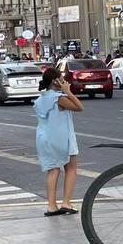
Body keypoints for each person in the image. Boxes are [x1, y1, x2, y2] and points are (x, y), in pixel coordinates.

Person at [34, 67, 83, 217]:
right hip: (61, 137)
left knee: (52, 170)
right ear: (55, 81)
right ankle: (66, 202)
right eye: (61, 78)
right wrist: (68, 91)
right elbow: (79, 107)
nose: (64, 80)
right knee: (71, 168)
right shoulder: (59, 98)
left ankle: (51, 206)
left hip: (43, 138)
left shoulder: (40, 99)